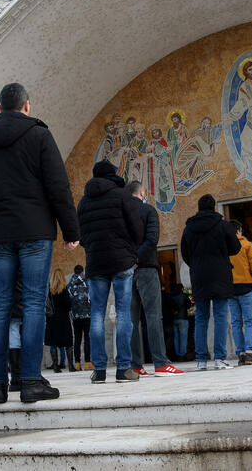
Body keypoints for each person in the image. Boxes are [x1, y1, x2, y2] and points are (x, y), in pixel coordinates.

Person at [0, 83, 81, 404]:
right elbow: (58, 185)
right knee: (33, 304)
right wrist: (71, 230)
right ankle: (30, 381)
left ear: (0, 108)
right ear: (27, 106)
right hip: (35, 231)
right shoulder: (39, 135)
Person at [77, 160, 144, 384]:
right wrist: (130, 249)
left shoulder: (84, 201)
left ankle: (99, 370)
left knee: (97, 314)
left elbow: (80, 234)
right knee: (124, 313)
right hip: (122, 261)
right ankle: (124, 368)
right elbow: (137, 228)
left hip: (96, 263)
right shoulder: (122, 195)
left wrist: (93, 248)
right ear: (112, 175)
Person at [128, 181, 183, 377]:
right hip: (146, 268)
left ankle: (135, 365)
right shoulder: (148, 210)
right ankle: (160, 363)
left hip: (126, 271)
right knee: (153, 316)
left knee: (131, 319)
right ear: (142, 193)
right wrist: (137, 259)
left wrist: (128, 262)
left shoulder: (120, 212)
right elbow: (152, 239)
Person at [180, 194, 241, 370]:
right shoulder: (222, 225)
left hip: (199, 277)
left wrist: (196, 264)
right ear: (214, 208)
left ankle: (201, 360)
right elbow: (236, 248)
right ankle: (219, 358)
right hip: (220, 275)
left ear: (198, 208)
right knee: (220, 316)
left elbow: (185, 253)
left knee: (201, 317)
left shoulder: (189, 229)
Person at [228, 221, 252, 365]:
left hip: (230, 289)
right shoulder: (247, 245)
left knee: (236, 322)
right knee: (250, 321)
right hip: (246, 286)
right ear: (239, 230)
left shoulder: (224, 247)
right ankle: (250, 351)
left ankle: (241, 353)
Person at [46, 270, 74, 372]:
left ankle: (55, 366)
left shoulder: (49, 290)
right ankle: (71, 366)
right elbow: (68, 304)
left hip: (52, 318)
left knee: (53, 343)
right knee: (68, 342)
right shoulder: (64, 289)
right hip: (63, 318)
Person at [67, 265, 91, 370]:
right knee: (87, 339)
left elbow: (68, 300)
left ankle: (77, 364)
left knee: (77, 339)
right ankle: (88, 363)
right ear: (82, 271)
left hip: (75, 316)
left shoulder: (69, 285)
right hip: (87, 315)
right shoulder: (88, 282)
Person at [168, 283, 192, 360]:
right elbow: (189, 305)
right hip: (183, 317)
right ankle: (182, 354)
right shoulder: (184, 295)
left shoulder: (171, 296)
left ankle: (177, 353)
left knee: (176, 337)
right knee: (183, 337)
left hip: (174, 318)